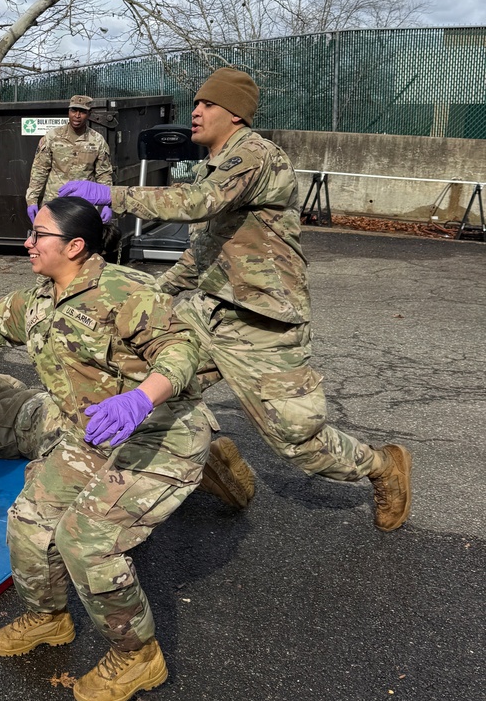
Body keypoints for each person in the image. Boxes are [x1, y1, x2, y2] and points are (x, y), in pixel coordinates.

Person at [0, 196, 212, 701]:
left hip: (161, 437)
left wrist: (142, 397)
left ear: (74, 246)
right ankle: (49, 618)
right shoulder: (38, 301)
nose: (28, 242)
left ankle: (138, 653)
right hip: (91, 438)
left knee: (86, 540)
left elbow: (183, 347)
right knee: (29, 521)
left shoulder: (124, 291)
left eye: (39, 234)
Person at [60, 68, 412, 531]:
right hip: (208, 309)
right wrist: (156, 291)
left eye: (207, 104)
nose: (196, 111)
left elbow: (195, 202)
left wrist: (112, 193)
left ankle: (381, 466)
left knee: (298, 440)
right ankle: (210, 461)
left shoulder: (255, 156)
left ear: (236, 115)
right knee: (145, 382)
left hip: (262, 318)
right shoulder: (217, 165)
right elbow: (205, 251)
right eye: (196, 102)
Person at [0, 367, 255, 510]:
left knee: (67, 483)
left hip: (32, 427)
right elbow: (12, 384)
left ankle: (193, 464)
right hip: (41, 403)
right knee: (109, 436)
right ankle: (193, 453)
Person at [25, 94, 112, 222]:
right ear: (68, 111)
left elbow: (103, 174)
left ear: (89, 114)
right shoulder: (53, 137)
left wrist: (108, 203)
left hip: (82, 205)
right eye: (73, 110)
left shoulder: (97, 141)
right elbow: (39, 169)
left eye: (82, 112)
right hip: (55, 203)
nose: (77, 115)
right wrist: (32, 200)